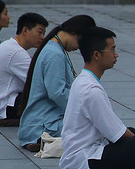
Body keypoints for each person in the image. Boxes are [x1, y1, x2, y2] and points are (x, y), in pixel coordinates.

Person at [59, 27, 135, 169]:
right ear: (97, 55)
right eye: (112, 50)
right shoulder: (91, 90)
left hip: (83, 154)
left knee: (134, 135)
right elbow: (117, 134)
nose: (116, 55)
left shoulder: (84, 79)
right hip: (85, 160)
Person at [17, 15, 95, 150]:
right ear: (74, 33)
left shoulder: (54, 49)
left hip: (44, 122)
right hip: (43, 127)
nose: (82, 48)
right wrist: (82, 111)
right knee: (95, 130)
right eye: (83, 42)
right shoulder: (54, 54)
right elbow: (58, 93)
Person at [0, 12, 48, 125]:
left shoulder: (11, 46)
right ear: (25, 30)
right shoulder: (16, 53)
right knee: (48, 100)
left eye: (44, 33)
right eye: (40, 32)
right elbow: (39, 83)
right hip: (1, 109)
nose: (42, 37)